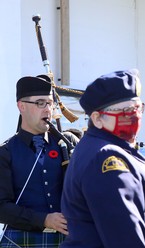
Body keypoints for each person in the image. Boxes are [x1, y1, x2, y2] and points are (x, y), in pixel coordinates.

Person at [60, 69, 145, 247]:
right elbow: (125, 237)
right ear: (97, 119)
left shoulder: (112, 147)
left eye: (137, 108)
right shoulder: (107, 157)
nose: (134, 116)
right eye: (125, 111)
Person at [0, 75, 79, 247]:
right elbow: (1, 208)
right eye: (40, 103)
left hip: (65, 240)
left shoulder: (66, 144)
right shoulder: (5, 152)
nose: (47, 110)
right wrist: (44, 220)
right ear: (21, 106)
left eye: (50, 103)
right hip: (20, 240)